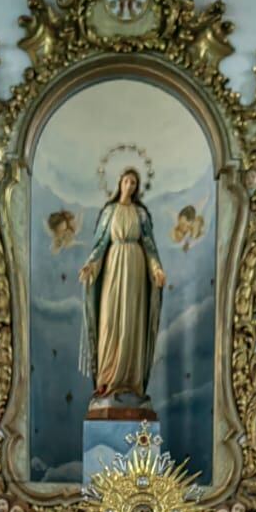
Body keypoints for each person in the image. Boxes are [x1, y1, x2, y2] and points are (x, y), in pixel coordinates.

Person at [79, 168, 166, 406]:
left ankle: (131, 382)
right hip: (113, 268)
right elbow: (100, 244)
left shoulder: (140, 214)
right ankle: (106, 380)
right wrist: (90, 266)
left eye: (134, 183)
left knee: (132, 323)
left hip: (136, 271)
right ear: (120, 183)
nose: (130, 186)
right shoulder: (109, 212)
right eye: (127, 181)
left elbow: (149, 245)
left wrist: (157, 269)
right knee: (109, 322)